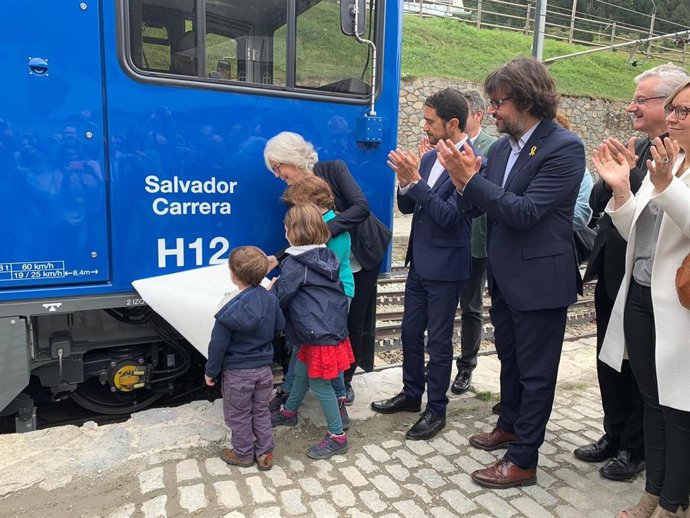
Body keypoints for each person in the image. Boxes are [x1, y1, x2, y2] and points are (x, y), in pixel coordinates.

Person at [438, 57, 585, 488]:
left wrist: (471, 181)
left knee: (536, 374)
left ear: (526, 100)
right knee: (510, 361)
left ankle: (523, 460)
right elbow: (478, 204)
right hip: (504, 277)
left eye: (499, 103)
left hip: (541, 283)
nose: (494, 111)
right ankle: (509, 425)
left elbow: (524, 213)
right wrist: (459, 179)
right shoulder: (500, 149)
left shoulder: (564, 147)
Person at [577, 64, 689, 484]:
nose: (631, 107)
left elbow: (670, 212)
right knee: (616, 365)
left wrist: (644, 180)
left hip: (667, 290)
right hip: (622, 271)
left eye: (642, 100)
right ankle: (616, 436)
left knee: (656, 384)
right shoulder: (646, 146)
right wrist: (620, 183)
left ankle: (640, 456)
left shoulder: (674, 156)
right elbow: (611, 205)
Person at [370, 88, 477, 441]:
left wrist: (415, 183)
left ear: (453, 123)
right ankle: (411, 394)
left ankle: (437, 409)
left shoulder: (472, 162)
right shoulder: (431, 158)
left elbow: (448, 216)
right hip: (419, 263)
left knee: (440, 342)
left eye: (430, 121)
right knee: (410, 332)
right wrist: (406, 182)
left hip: (446, 268)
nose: (425, 127)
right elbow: (409, 208)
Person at [264, 132, 392, 405]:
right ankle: (315, 381)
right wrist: (277, 258)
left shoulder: (333, 170)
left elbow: (361, 207)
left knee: (353, 322)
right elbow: (301, 240)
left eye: (278, 167)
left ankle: (345, 382)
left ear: (292, 159)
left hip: (362, 254)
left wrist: (324, 231)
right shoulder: (292, 194)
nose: (277, 174)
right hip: (327, 262)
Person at [270, 204, 354, 459]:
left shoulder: (296, 264)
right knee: (302, 372)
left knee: (320, 386)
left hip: (316, 333)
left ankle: (337, 437)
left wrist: (270, 290)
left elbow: (281, 297)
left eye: (286, 226)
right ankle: (289, 411)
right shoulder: (325, 255)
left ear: (292, 233)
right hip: (326, 328)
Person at [204, 246, 285, 471]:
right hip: (263, 372)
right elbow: (280, 326)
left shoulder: (227, 310)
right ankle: (265, 452)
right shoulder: (269, 299)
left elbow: (217, 346)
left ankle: (243, 453)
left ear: (233, 275)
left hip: (237, 374)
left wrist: (211, 372)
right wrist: (268, 298)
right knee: (260, 411)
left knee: (238, 416)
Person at [450, 90, 498, 396]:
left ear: (477, 115)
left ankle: (466, 366)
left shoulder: (493, 148)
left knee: (470, 306)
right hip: (450, 236)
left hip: (476, 241)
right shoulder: (448, 145)